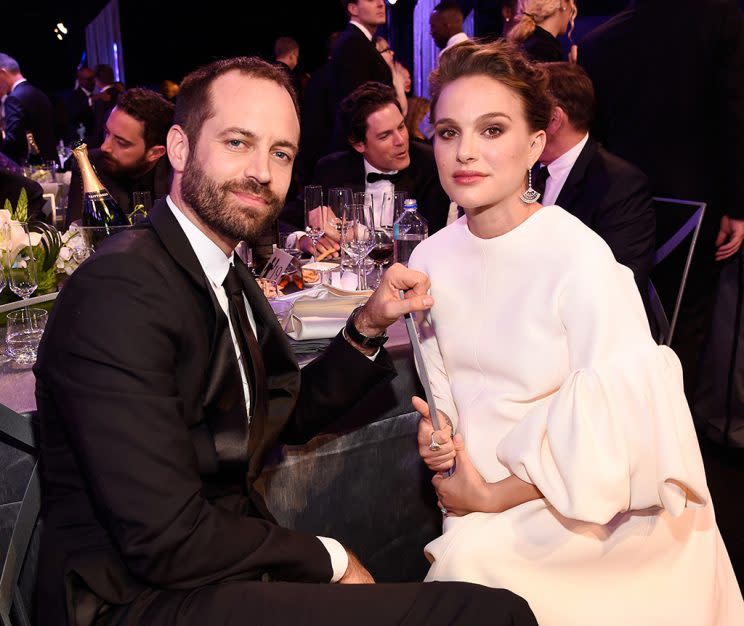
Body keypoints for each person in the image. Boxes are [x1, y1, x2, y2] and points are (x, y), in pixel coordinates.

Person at [34, 55, 538, 626]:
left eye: (280, 153)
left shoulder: (221, 271)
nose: (261, 171)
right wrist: (329, 557)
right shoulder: (120, 288)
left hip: (211, 567)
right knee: (487, 615)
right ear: (178, 148)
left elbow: (282, 408)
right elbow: (164, 537)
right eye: (237, 142)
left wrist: (368, 325)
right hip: (129, 600)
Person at [408, 39, 743, 626]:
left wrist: (490, 496)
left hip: (587, 511)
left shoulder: (578, 258)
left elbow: (623, 441)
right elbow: (450, 396)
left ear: (536, 144)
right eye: (447, 132)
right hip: (477, 495)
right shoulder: (432, 256)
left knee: (464, 574)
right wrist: (439, 438)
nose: (465, 153)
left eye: (492, 130)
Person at [580, 0, 744, 589]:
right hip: (692, 203)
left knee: (628, 331)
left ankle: (622, 460)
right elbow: (731, 114)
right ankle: (674, 473)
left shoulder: (601, 36)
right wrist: (737, 204)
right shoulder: (721, 18)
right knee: (687, 336)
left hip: (621, 207)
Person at [537, 61, 655, 313]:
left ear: (554, 120)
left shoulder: (620, 184)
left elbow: (619, 282)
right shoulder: (528, 172)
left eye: (528, 112)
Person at [282, 81, 453, 251]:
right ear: (358, 144)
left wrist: (358, 234)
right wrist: (302, 240)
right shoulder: (333, 169)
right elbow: (283, 221)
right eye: (385, 136)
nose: (400, 141)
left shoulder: (430, 164)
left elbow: (432, 238)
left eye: (401, 127)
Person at [66, 87, 174, 226]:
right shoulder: (90, 163)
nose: (105, 147)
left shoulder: (176, 176)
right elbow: (75, 234)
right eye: (107, 133)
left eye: (121, 142)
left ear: (155, 153)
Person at [329, 0, 393, 149]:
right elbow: (356, 104)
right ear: (353, 8)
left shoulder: (359, 41)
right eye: (371, 0)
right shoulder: (353, 43)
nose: (381, 4)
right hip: (361, 148)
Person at [0, 52, 57, 164]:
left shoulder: (14, 99)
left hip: (31, 166)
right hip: (50, 161)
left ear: (2, 72)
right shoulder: (39, 93)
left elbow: (13, 141)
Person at [507, 0, 577, 63]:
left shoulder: (528, 40)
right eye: (572, 4)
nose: (571, 11)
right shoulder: (546, 50)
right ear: (563, 3)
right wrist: (573, 71)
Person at [91, 63, 120, 147]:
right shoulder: (120, 93)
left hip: (105, 143)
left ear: (96, 80)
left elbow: (99, 128)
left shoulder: (101, 99)